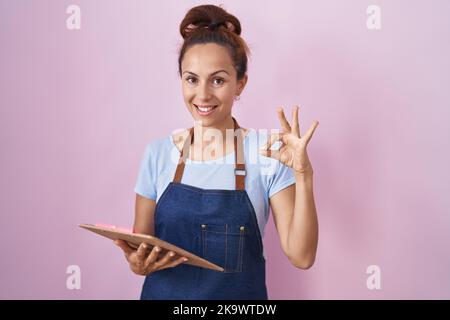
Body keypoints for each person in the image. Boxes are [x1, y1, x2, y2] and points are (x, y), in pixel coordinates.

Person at [115, 4, 319, 300]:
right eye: (191, 79)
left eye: (218, 80)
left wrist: (303, 174)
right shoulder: (158, 154)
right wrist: (137, 263)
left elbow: (302, 257)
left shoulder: (267, 155)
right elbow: (141, 247)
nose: (203, 94)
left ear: (240, 84)